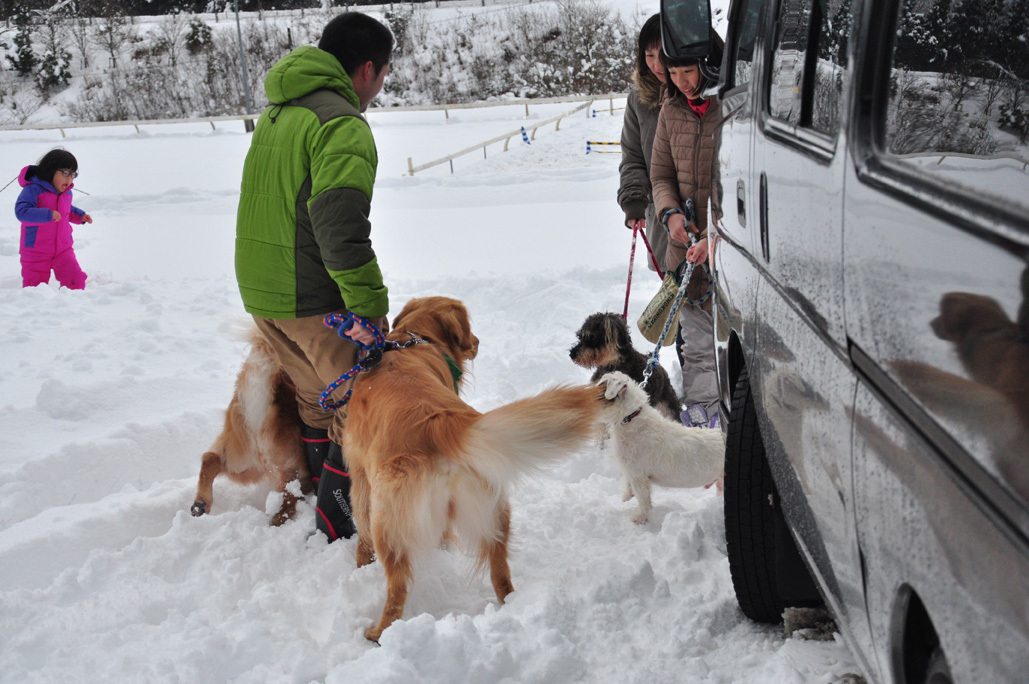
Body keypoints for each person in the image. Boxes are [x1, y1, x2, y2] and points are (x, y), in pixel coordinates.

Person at [234, 12, 393, 543]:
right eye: (385, 72)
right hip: (311, 297)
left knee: (315, 400)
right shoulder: (341, 123)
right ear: (368, 68)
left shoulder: (280, 112)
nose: (382, 84)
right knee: (359, 403)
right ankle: (339, 523)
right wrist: (369, 307)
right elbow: (340, 226)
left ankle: (309, 505)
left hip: (263, 291)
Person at [650, 37, 724, 429]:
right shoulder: (670, 110)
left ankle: (732, 421)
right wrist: (671, 214)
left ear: (709, 64)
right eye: (673, 72)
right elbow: (660, 174)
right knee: (695, 345)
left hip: (728, 248)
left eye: (688, 70)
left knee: (728, 345)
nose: (681, 81)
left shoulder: (732, 107)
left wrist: (717, 234)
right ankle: (702, 418)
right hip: (686, 253)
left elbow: (737, 177)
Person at [618, 13, 668, 274]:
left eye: (663, 54)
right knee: (670, 294)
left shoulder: (697, 91)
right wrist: (634, 201)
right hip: (660, 214)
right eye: (649, 56)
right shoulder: (639, 99)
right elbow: (633, 157)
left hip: (702, 215)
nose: (657, 64)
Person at [15, 148, 93, 290]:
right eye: (65, 173)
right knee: (35, 288)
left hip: (63, 249)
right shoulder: (33, 189)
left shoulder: (67, 193)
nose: (69, 179)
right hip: (36, 251)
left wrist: (80, 216)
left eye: (73, 174)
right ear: (51, 170)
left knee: (75, 280)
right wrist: (46, 215)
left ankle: (75, 304)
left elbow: (66, 211)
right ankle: (37, 309)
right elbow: (22, 211)